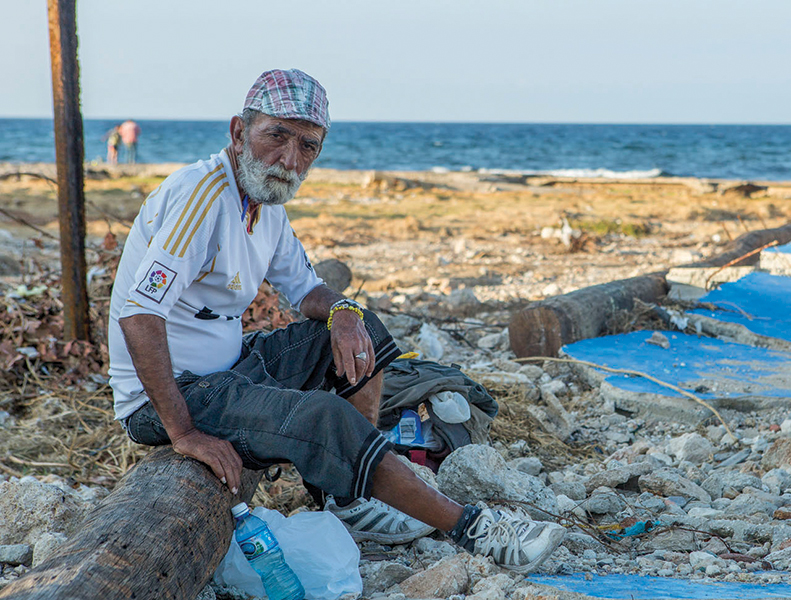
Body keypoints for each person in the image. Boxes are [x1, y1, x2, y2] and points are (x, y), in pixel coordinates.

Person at [107, 69, 564, 573]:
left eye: (307, 146)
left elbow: (306, 290)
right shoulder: (201, 197)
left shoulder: (264, 205)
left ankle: (350, 502)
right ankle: (474, 530)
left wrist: (346, 313)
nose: (289, 159)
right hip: (169, 395)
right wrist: (183, 433)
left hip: (229, 369)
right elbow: (138, 312)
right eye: (275, 136)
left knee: (362, 328)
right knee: (320, 418)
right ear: (239, 133)